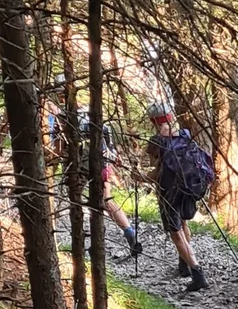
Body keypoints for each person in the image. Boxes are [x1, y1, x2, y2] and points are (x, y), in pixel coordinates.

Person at [145, 101, 214, 292]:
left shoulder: (157, 141)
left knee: (176, 232)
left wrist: (141, 177)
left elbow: (157, 172)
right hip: (188, 187)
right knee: (184, 224)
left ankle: (197, 272)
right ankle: (184, 264)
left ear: (153, 120)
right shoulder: (185, 134)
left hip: (169, 192)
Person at [75, 104, 143, 260]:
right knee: (107, 199)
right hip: (104, 163)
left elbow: (64, 148)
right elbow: (112, 150)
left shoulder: (70, 117)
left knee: (76, 198)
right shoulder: (102, 122)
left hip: (83, 164)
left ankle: (89, 241)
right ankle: (130, 234)